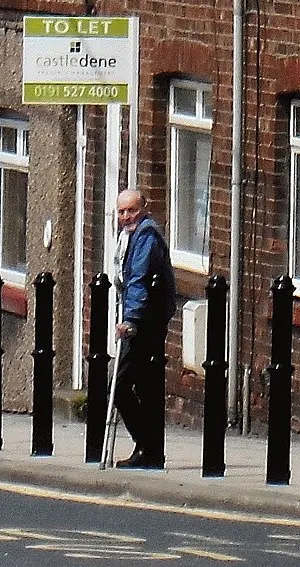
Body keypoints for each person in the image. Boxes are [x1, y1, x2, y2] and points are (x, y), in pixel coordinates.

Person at [111, 188, 173, 470]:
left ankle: (148, 446)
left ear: (144, 209)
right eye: (122, 211)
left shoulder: (146, 237)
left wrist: (130, 320)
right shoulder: (129, 236)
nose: (126, 216)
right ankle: (150, 451)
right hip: (141, 319)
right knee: (145, 386)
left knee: (121, 385)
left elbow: (138, 278)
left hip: (144, 322)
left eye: (132, 210)